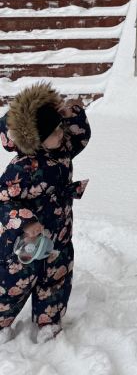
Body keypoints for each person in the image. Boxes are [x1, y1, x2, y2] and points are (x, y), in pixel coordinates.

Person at [0, 83, 91, 343]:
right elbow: (3, 200)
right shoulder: (22, 168)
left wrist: (72, 113)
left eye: (60, 127)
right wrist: (26, 223)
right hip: (25, 242)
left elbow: (81, 136)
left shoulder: (61, 149)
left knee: (56, 278)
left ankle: (48, 321)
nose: (61, 134)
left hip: (59, 233)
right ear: (36, 139)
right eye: (54, 132)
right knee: (13, 283)